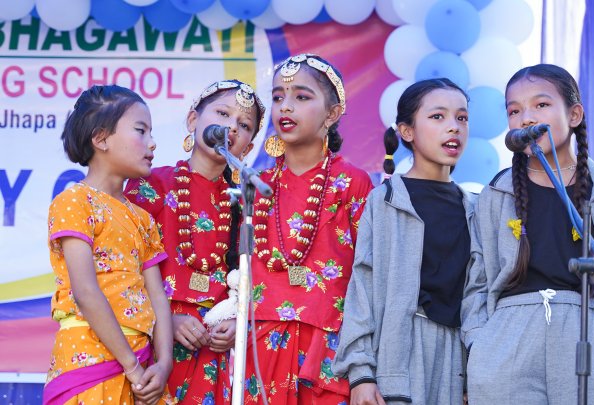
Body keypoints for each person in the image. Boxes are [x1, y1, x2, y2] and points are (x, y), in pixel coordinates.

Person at [462, 64, 594, 404]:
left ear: (574, 114)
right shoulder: (496, 194)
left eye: (541, 104)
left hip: (590, 335)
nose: (526, 118)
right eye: (514, 110)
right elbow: (476, 284)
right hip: (506, 343)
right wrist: (482, 346)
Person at [333, 78, 477, 405]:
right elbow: (363, 287)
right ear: (407, 131)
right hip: (397, 360)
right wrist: (361, 373)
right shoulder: (385, 201)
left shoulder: (475, 208)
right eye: (438, 116)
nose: (453, 127)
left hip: (456, 365)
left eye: (462, 118)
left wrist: (477, 373)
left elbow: (479, 298)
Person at [124, 80, 265, 404]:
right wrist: (165, 322)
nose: (232, 127)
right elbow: (123, 272)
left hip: (213, 355)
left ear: (247, 147)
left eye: (244, 125)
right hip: (152, 347)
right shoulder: (151, 185)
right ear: (192, 120)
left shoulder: (246, 202)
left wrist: (237, 323)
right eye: (222, 114)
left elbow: (257, 281)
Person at [244, 53, 373, 404]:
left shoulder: (353, 183)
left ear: (332, 114)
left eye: (301, 96)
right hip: (262, 345)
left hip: (328, 346)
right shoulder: (256, 184)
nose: (285, 107)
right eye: (277, 97)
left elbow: (369, 275)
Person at [44, 85, 173, 405]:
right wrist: (132, 367)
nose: (152, 143)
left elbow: (157, 297)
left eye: (151, 133)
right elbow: (85, 292)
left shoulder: (142, 218)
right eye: (141, 131)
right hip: (89, 357)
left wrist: (164, 365)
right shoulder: (75, 201)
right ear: (101, 139)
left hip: (142, 368)